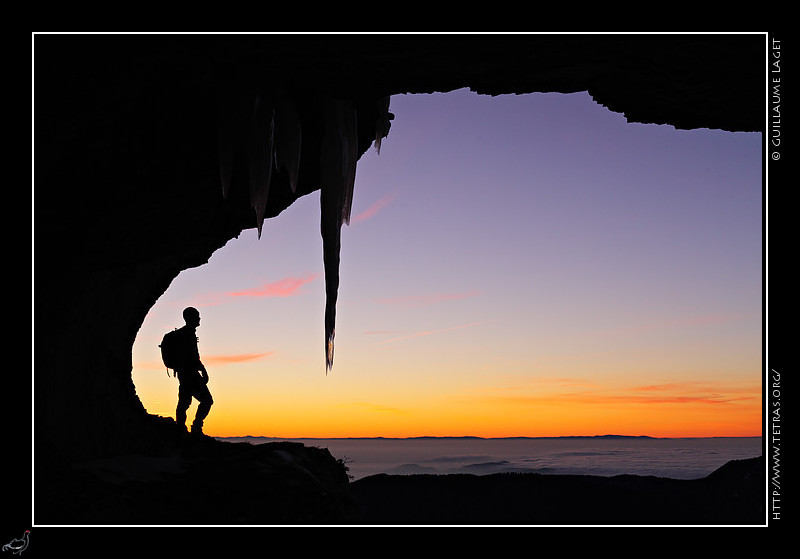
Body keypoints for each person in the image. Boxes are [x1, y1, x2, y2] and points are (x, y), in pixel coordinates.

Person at [174, 306, 213, 436]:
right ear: (190, 318)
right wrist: (203, 370)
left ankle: (181, 428)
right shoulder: (188, 334)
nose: (199, 319)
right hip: (190, 374)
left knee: (184, 402)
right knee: (207, 400)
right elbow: (193, 357)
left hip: (184, 374)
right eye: (197, 316)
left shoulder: (185, 333)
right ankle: (195, 427)